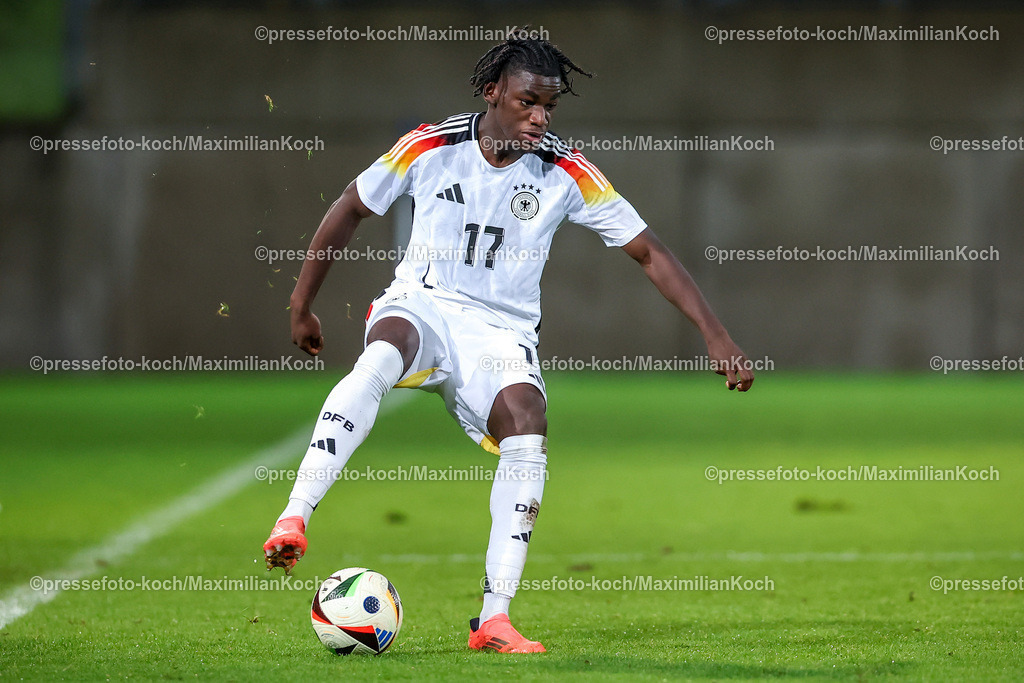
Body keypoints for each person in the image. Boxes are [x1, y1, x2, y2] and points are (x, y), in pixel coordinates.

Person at [264, 30, 754, 654]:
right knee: (382, 355)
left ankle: (494, 618)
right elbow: (349, 209)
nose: (540, 117)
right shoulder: (430, 146)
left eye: (549, 105)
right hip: (423, 301)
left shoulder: (566, 169)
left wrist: (716, 335)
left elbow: (649, 251)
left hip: (500, 331)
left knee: (528, 424)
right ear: (492, 92)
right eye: (528, 101)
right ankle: (295, 516)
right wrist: (301, 304)